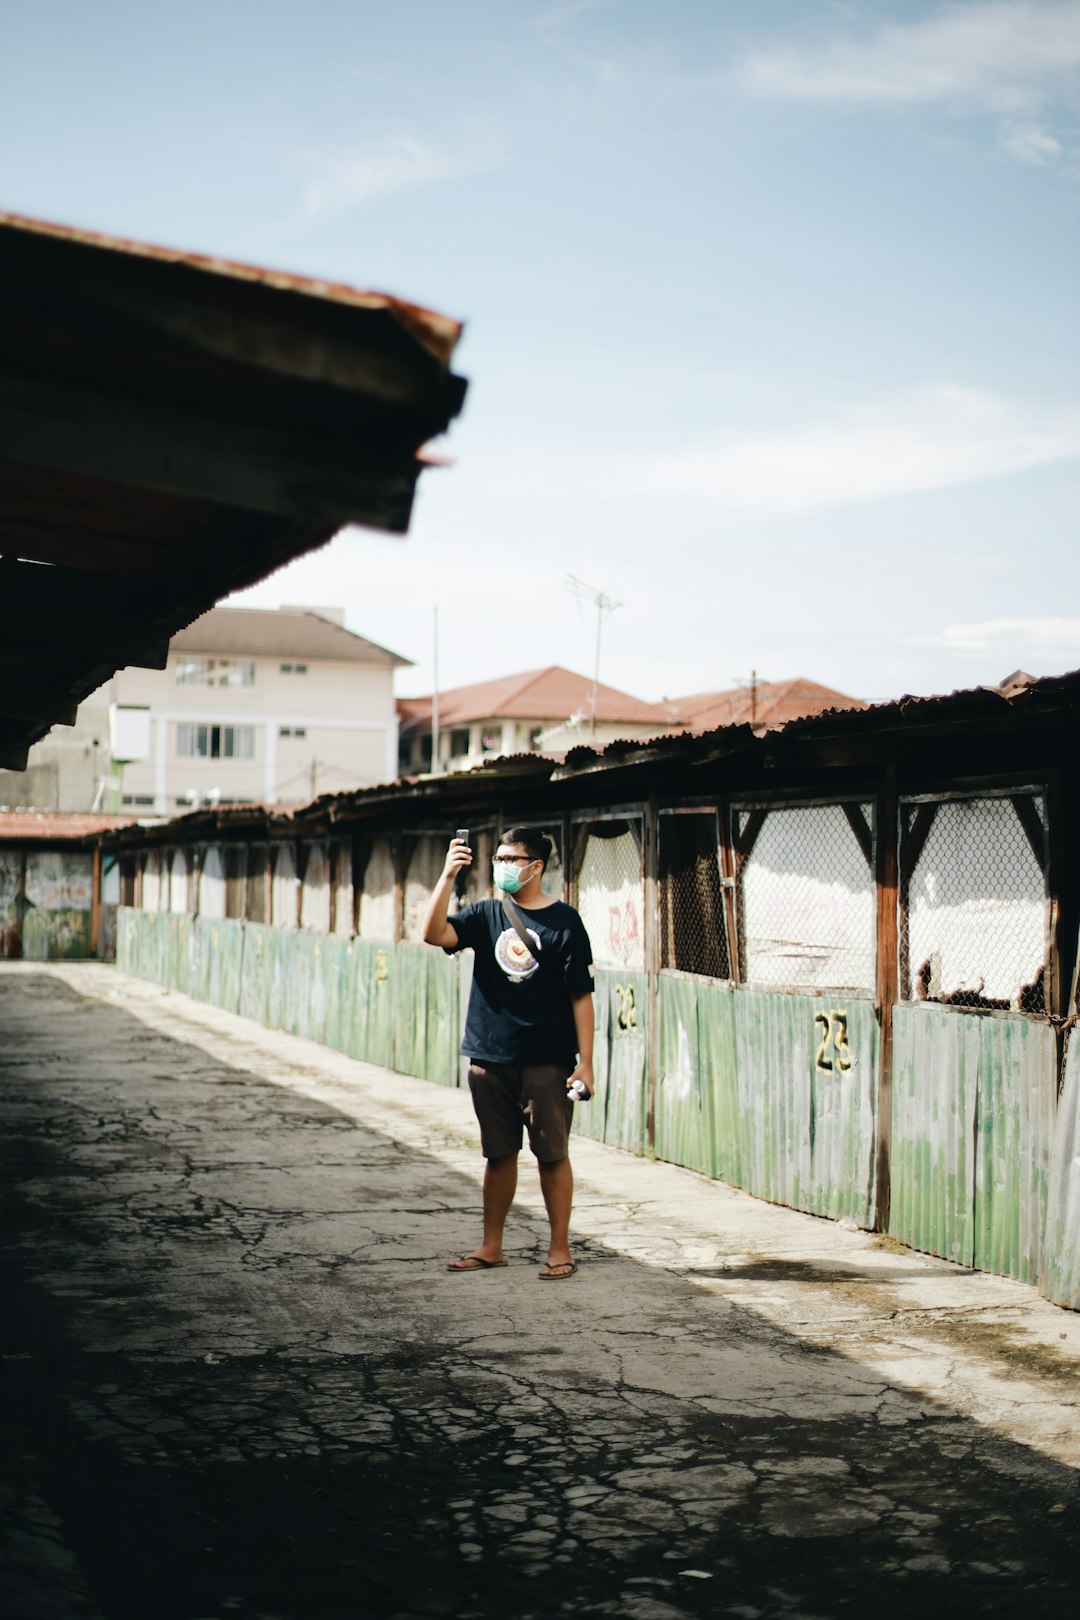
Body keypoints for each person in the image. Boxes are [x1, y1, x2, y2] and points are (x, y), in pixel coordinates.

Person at [422, 827, 595, 1280]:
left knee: (551, 1154)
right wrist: (447, 875)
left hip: (546, 1060)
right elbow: (433, 933)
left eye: (511, 859)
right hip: (490, 1058)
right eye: (497, 858)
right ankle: (491, 1246)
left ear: (536, 867)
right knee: (498, 1155)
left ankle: (560, 1249)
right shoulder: (483, 915)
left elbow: (581, 995)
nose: (502, 866)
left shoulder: (565, 922)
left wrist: (587, 1063)